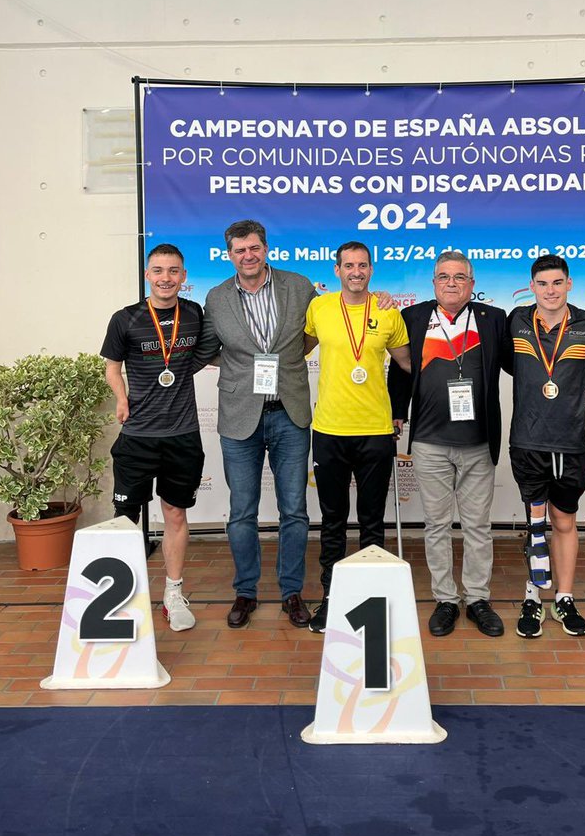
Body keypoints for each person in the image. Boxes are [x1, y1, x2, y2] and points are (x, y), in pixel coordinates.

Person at [199, 219, 316, 630]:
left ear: (266, 248)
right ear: (228, 254)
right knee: (241, 512)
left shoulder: (299, 287)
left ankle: (292, 592)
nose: (247, 256)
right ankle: (245, 591)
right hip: (239, 417)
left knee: (295, 510)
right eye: (239, 250)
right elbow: (210, 348)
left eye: (254, 248)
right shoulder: (216, 298)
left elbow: (312, 337)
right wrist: (240, 369)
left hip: (290, 413)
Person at [388, 251, 507, 638]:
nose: (451, 283)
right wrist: (396, 411)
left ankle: (476, 599)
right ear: (434, 283)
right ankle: (444, 599)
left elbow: (518, 363)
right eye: (444, 276)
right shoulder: (415, 317)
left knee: (477, 526)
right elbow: (400, 369)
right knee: (437, 524)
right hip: (429, 441)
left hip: (478, 441)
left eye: (460, 277)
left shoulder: (493, 319)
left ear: (472, 284)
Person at [303, 241, 411, 633]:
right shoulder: (319, 308)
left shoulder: (387, 310)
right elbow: (296, 349)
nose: (356, 272)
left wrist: (402, 409)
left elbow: (406, 365)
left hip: (376, 430)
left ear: (371, 269)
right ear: (337, 270)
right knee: (332, 521)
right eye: (348, 265)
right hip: (330, 429)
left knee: (371, 520)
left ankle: (372, 598)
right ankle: (330, 598)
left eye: (363, 265)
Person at [101, 243, 205, 632]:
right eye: (158, 270)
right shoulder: (124, 319)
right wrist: (122, 398)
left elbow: (206, 353)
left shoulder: (194, 314)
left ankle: (173, 593)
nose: (166, 278)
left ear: (183, 277)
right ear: (148, 275)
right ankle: (122, 597)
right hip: (138, 436)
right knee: (126, 517)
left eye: (173, 271)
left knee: (175, 513)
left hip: (182, 435)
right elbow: (113, 368)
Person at [506, 254, 585, 640]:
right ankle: (532, 596)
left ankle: (564, 597)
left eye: (557, 283)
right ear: (532, 286)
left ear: (569, 284)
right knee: (535, 522)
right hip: (527, 440)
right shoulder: (516, 321)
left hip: (571, 443)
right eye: (543, 283)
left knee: (564, 521)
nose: (550, 290)